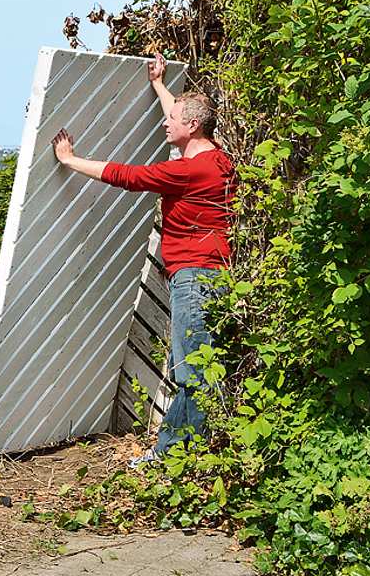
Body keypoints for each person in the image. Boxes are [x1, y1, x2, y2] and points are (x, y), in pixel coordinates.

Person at [50, 52, 234, 466]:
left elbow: (128, 178)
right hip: (214, 274)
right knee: (197, 366)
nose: (165, 122)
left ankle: (168, 455)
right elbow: (186, 116)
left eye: (172, 120)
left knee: (192, 373)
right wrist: (158, 84)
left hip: (193, 278)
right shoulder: (218, 159)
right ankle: (188, 452)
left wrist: (70, 160)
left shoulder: (186, 173)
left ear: (190, 127)